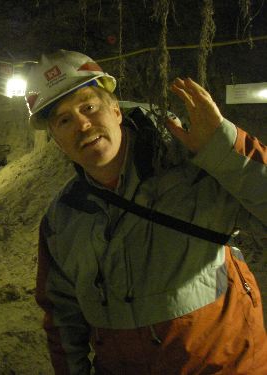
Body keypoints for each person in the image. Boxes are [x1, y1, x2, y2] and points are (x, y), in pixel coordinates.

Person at [26, 49, 267, 374]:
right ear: (56, 140)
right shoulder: (61, 220)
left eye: (89, 107)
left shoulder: (191, 172)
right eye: (65, 120)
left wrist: (224, 148)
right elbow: (62, 319)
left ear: (116, 110)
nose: (82, 124)